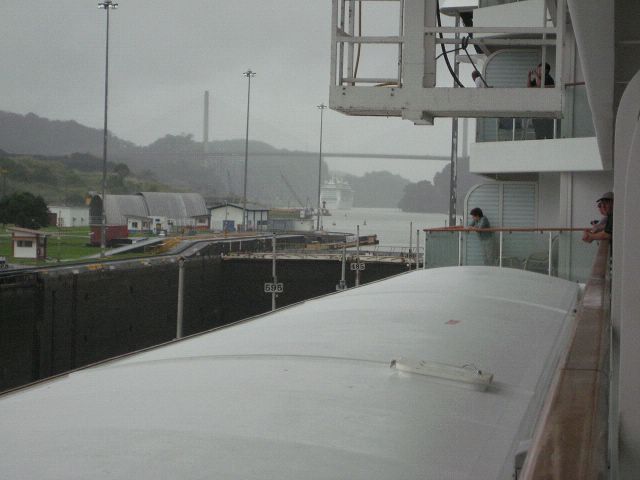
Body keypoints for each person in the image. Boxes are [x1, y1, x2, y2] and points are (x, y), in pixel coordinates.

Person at [527, 63, 555, 139]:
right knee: (539, 132)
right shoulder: (538, 78)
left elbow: (540, 87)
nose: (537, 71)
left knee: (547, 133)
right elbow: (529, 87)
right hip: (538, 109)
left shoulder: (548, 78)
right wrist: (529, 77)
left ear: (546, 71)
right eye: (537, 69)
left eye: (540, 69)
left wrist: (536, 75)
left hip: (546, 110)